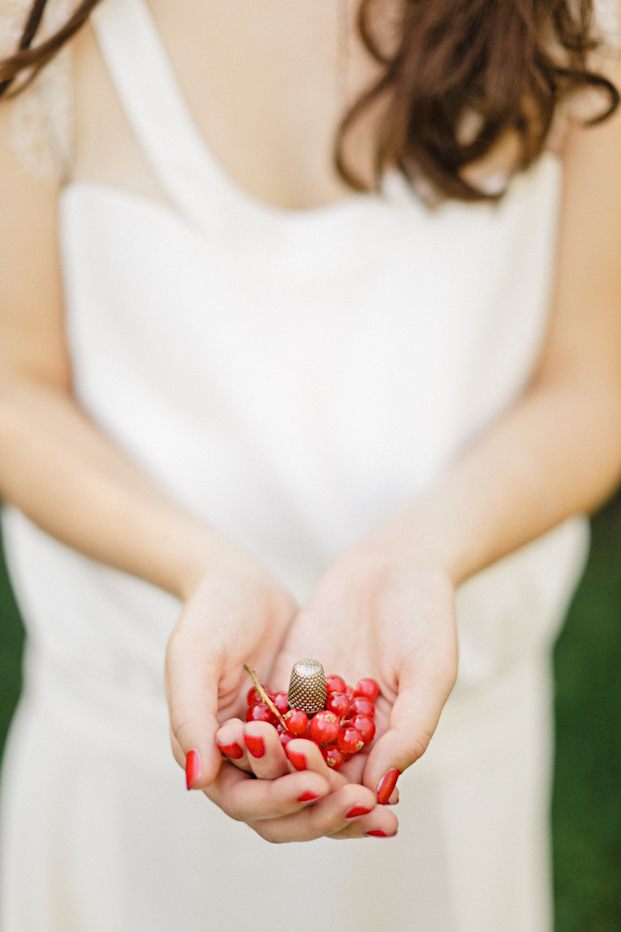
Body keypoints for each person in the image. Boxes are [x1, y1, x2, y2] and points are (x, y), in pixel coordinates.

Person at [0, 0, 620, 929]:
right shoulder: (38, 25)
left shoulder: (578, 21)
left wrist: (421, 552)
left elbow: (593, 380)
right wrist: (198, 567)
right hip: (122, 757)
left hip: (451, 763)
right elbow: (15, 383)